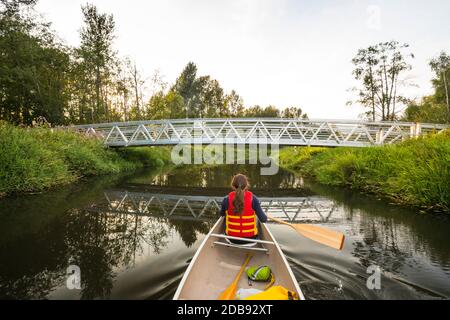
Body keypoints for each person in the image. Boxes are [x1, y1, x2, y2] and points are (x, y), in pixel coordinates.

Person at [220, 174, 268, 245]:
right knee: (256, 218)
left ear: (233, 185)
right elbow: (263, 219)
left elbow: (222, 214)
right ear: (246, 185)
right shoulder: (253, 199)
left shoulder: (226, 199)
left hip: (231, 239)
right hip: (251, 240)